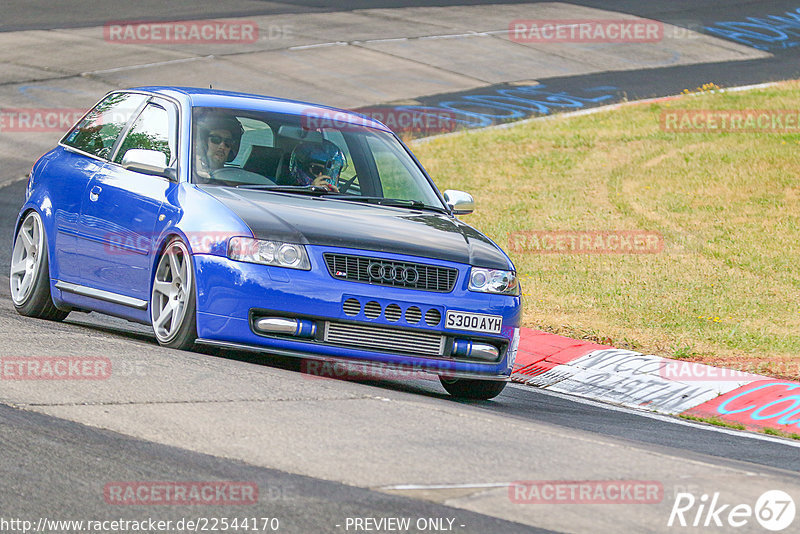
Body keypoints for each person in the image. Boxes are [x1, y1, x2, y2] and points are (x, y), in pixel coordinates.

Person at [194, 113, 244, 180]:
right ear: (204, 143)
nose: (222, 146)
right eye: (216, 139)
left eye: (228, 142)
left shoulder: (236, 179)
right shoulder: (191, 173)